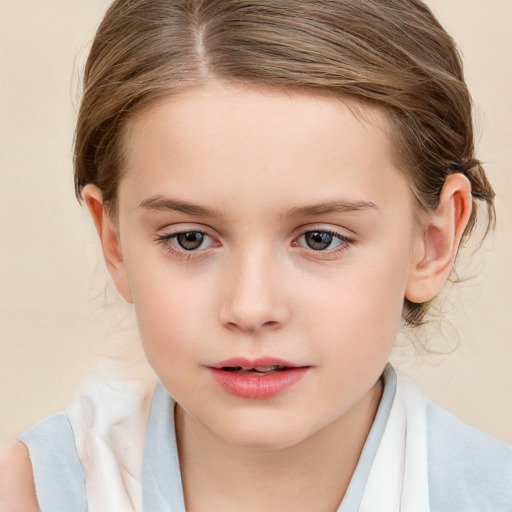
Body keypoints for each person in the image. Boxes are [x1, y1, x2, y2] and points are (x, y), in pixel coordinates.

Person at [1, 0, 511, 510]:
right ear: (113, 241)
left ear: (433, 241)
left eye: (320, 239)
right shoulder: (33, 494)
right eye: (189, 239)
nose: (250, 307)